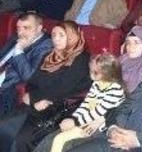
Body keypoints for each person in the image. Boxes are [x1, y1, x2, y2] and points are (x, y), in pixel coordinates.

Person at [0, 21, 91, 152]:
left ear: (73, 37)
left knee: (21, 139)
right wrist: (32, 97)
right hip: (37, 103)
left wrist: (33, 98)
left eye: (61, 35)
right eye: (54, 35)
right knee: (3, 125)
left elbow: (63, 89)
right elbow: (33, 80)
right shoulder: (49, 56)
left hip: (57, 107)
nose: (56, 39)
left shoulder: (81, 59)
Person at [39, 53, 126, 152]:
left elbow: (98, 112)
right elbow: (86, 104)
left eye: (95, 72)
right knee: (51, 138)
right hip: (85, 121)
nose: (91, 75)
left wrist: (75, 122)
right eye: (91, 70)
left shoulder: (115, 89)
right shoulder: (97, 84)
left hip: (99, 127)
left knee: (60, 139)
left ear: (108, 73)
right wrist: (73, 118)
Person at [0, 13, 53, 115]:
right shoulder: (16, 36)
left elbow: (29, 76)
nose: (21, 32)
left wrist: (19, 50)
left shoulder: (46, 46)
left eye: (26, 28)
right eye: (18, 28)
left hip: (5, 89)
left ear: (39, 28)